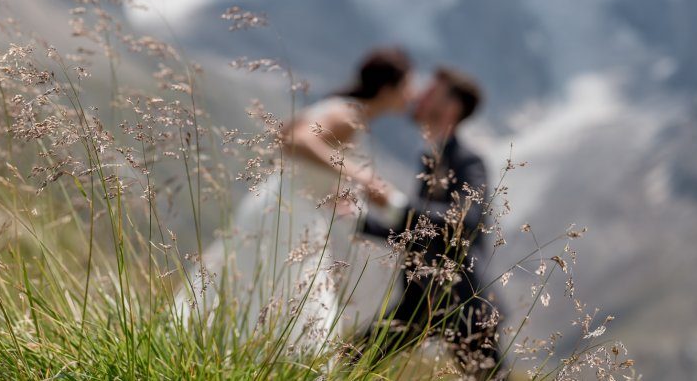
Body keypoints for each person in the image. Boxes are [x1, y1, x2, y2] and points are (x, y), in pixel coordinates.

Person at [175, 47, 413, 351]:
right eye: (408, 85)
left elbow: (294, 141)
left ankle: (216, 351)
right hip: (289, 216)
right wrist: (360, 176)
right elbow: (294, 139)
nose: (412, 94)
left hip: (283, 207)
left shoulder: (344, 109)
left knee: (252, 287)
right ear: (388, 87)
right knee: (301, 301)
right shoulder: (348, 114)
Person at [361, 67, 503, 376]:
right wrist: (359, 222)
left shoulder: (468, 161)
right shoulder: (430, 159)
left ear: (450, 108)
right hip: (420, 298)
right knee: (357, 358)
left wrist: (395, 203)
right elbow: (419, 230)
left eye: (428, 94)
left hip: (463, 299)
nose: (419, 98)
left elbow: (465, 219)